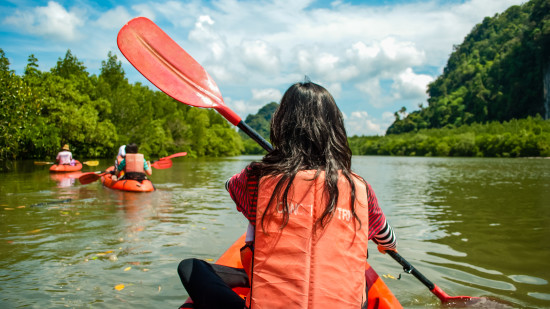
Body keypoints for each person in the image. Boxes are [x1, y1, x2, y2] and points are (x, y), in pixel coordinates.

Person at [177, 81, 398, 309]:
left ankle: (251, 278)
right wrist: (385, 246)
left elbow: (229, 185)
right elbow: (387, 240)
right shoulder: (358, 188)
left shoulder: (255, 179)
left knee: (190, 266)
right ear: (336, 130)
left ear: (281, 125)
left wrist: (277, 162)